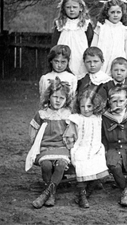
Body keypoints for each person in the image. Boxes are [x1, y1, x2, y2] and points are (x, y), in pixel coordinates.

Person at [26, 77, 75, 209]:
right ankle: (50, 192)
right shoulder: (42, 114)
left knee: (61, 165)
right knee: (46, 165)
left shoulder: (68, 114)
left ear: (66, 100)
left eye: (62, 98)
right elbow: (33, 128)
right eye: (55, 97)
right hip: (45, 147)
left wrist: (71, 146)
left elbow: (72, 133)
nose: (58, 100)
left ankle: (48, 194)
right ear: (49, 97)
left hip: (61, 147)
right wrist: (34, 144)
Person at [64, 89, 108, 208]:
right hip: (81, 147)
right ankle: (82, 195)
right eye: (83, 106)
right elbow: (69, 135)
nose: (86, 109)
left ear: (95, 106)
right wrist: (70, 146)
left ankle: (87, 191)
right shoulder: (76, 118)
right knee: (82, 164)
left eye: (89, 106)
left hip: (96, 148)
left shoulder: (98, 117)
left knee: (99, 165)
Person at [51, 0, 93, 79]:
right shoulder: (60, 24)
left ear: (81, 8)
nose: (71, 10)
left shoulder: (85, 24)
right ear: (63, 9)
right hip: (63, 55)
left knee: (80, 75)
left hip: (80, 54)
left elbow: (90, 41)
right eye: (68, 7)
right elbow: (54, 43)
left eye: (74, 7)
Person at [91, 0, 127, 76]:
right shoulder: (101, 28)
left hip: (118, 65)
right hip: (103, 63)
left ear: (122, 13)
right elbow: (93, 47)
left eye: (118, 12)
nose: (115, 15)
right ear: (107, 13)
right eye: (112, 12)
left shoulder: (124, 30)